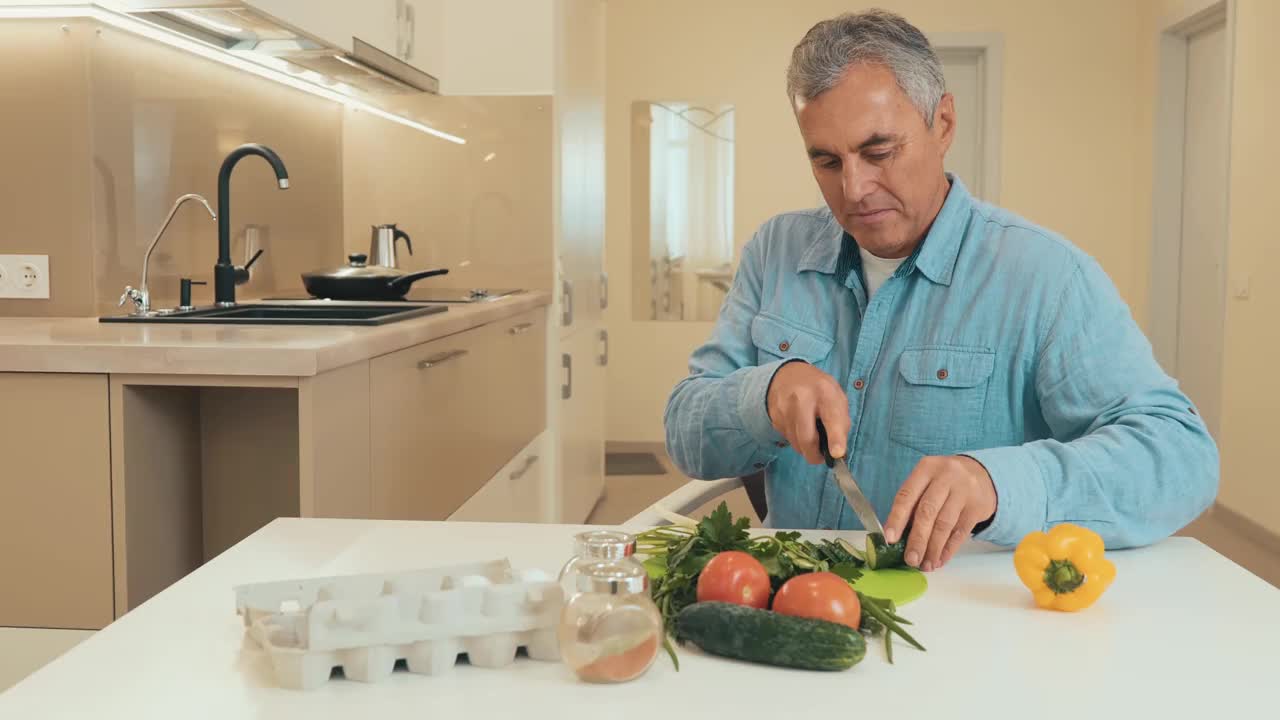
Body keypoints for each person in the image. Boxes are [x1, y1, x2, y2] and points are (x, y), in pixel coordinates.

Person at [663, 9, 1219, 572]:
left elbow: (1180, 456)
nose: (854, 189)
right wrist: (763, 394)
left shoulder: (1043, 277)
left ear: (944, 124)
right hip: (795, 604)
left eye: (879, 152)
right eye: (827, 161)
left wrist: (996, 483)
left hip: (959, 619)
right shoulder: (775, 251)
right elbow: (686, 431)